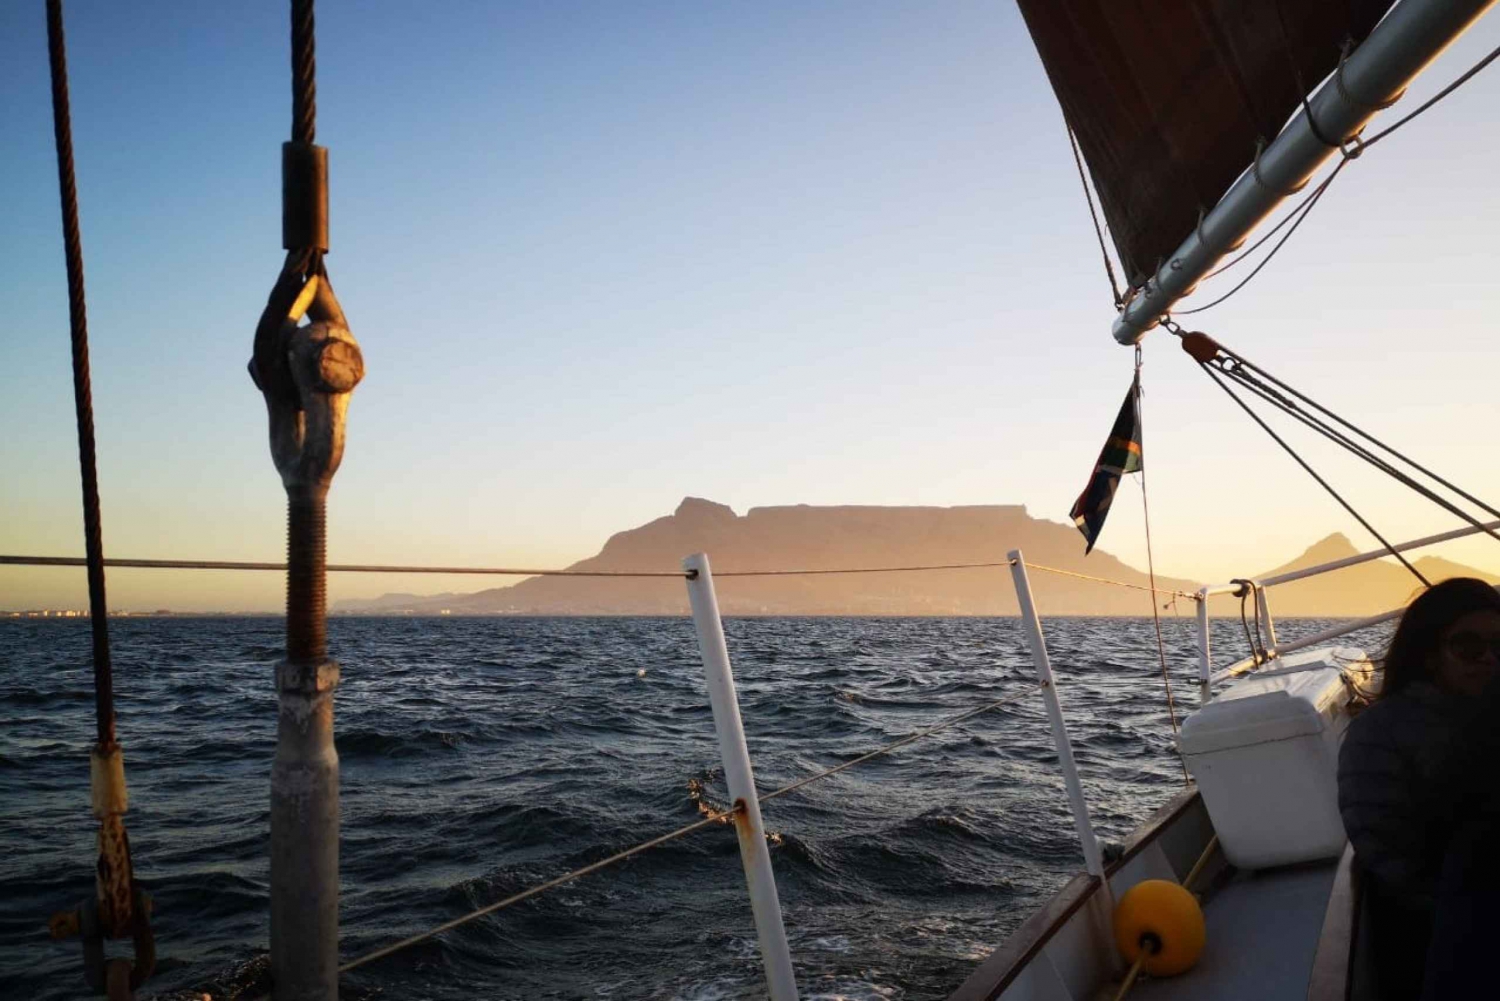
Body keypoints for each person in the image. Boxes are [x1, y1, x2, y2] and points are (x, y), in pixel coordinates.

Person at [1337, 577, 1500, 1000]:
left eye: (1499, 646)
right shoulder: (1379, 735)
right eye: (1469, 647)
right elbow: (1388, 856)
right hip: (1445, 940)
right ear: (1430, 654)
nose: (1488, 659)